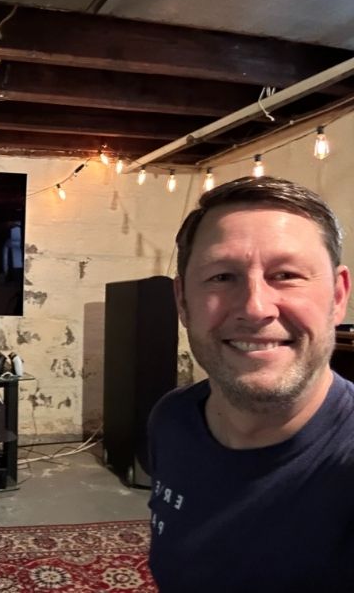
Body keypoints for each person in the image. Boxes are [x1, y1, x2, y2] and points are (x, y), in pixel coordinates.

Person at [147, 176, 354, 591]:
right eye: (222, 277)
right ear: (183, 301)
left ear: (337, 295)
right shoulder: (171, 419)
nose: (255, 308)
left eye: (287, 274)